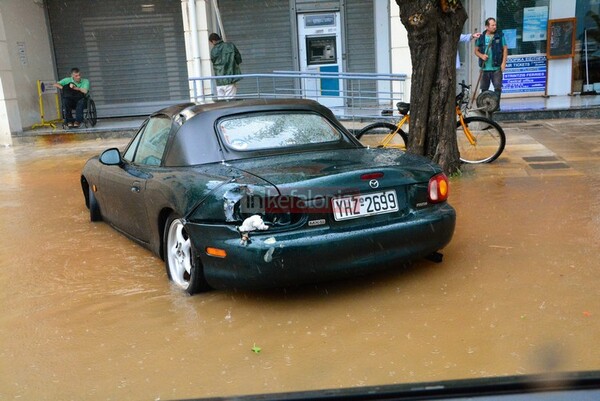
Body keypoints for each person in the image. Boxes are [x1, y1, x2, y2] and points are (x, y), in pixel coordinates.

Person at [474, 18, 508, 108]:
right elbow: (476, 51)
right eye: (492, 25)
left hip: (496, 67)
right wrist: (481, 56)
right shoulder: (481, 37)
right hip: (484, 68)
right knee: (484, 89)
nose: (494, 27)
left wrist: (503, 63)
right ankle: (484, 106)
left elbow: (505, 49)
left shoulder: (499, 36)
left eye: (495, 25)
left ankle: (496, 106)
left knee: (497, 88)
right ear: (487, 26)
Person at [208, 33, 242, 99]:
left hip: (219, 81)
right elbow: (239, 60)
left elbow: (213, 62)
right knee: (230, 103)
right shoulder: (230, 46)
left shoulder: (213, 51)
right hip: (230, 79)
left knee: (221, 104)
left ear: (213, 41)